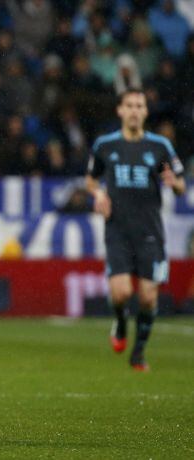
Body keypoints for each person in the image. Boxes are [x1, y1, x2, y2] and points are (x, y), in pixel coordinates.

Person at [86, 89, 186, 372]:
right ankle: (119, 322)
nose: (133, 110)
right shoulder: (105, 145)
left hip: (149, 232)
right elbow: (91, 180)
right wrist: (99, 195)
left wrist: (174, 183)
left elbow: (180, 185)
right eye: (128, 105)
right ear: (120, 110)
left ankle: (138, 352)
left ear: (145, 112)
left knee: (147, 296)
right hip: (117, 229)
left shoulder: (160, 146)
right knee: (119, 294)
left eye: (139, 105)